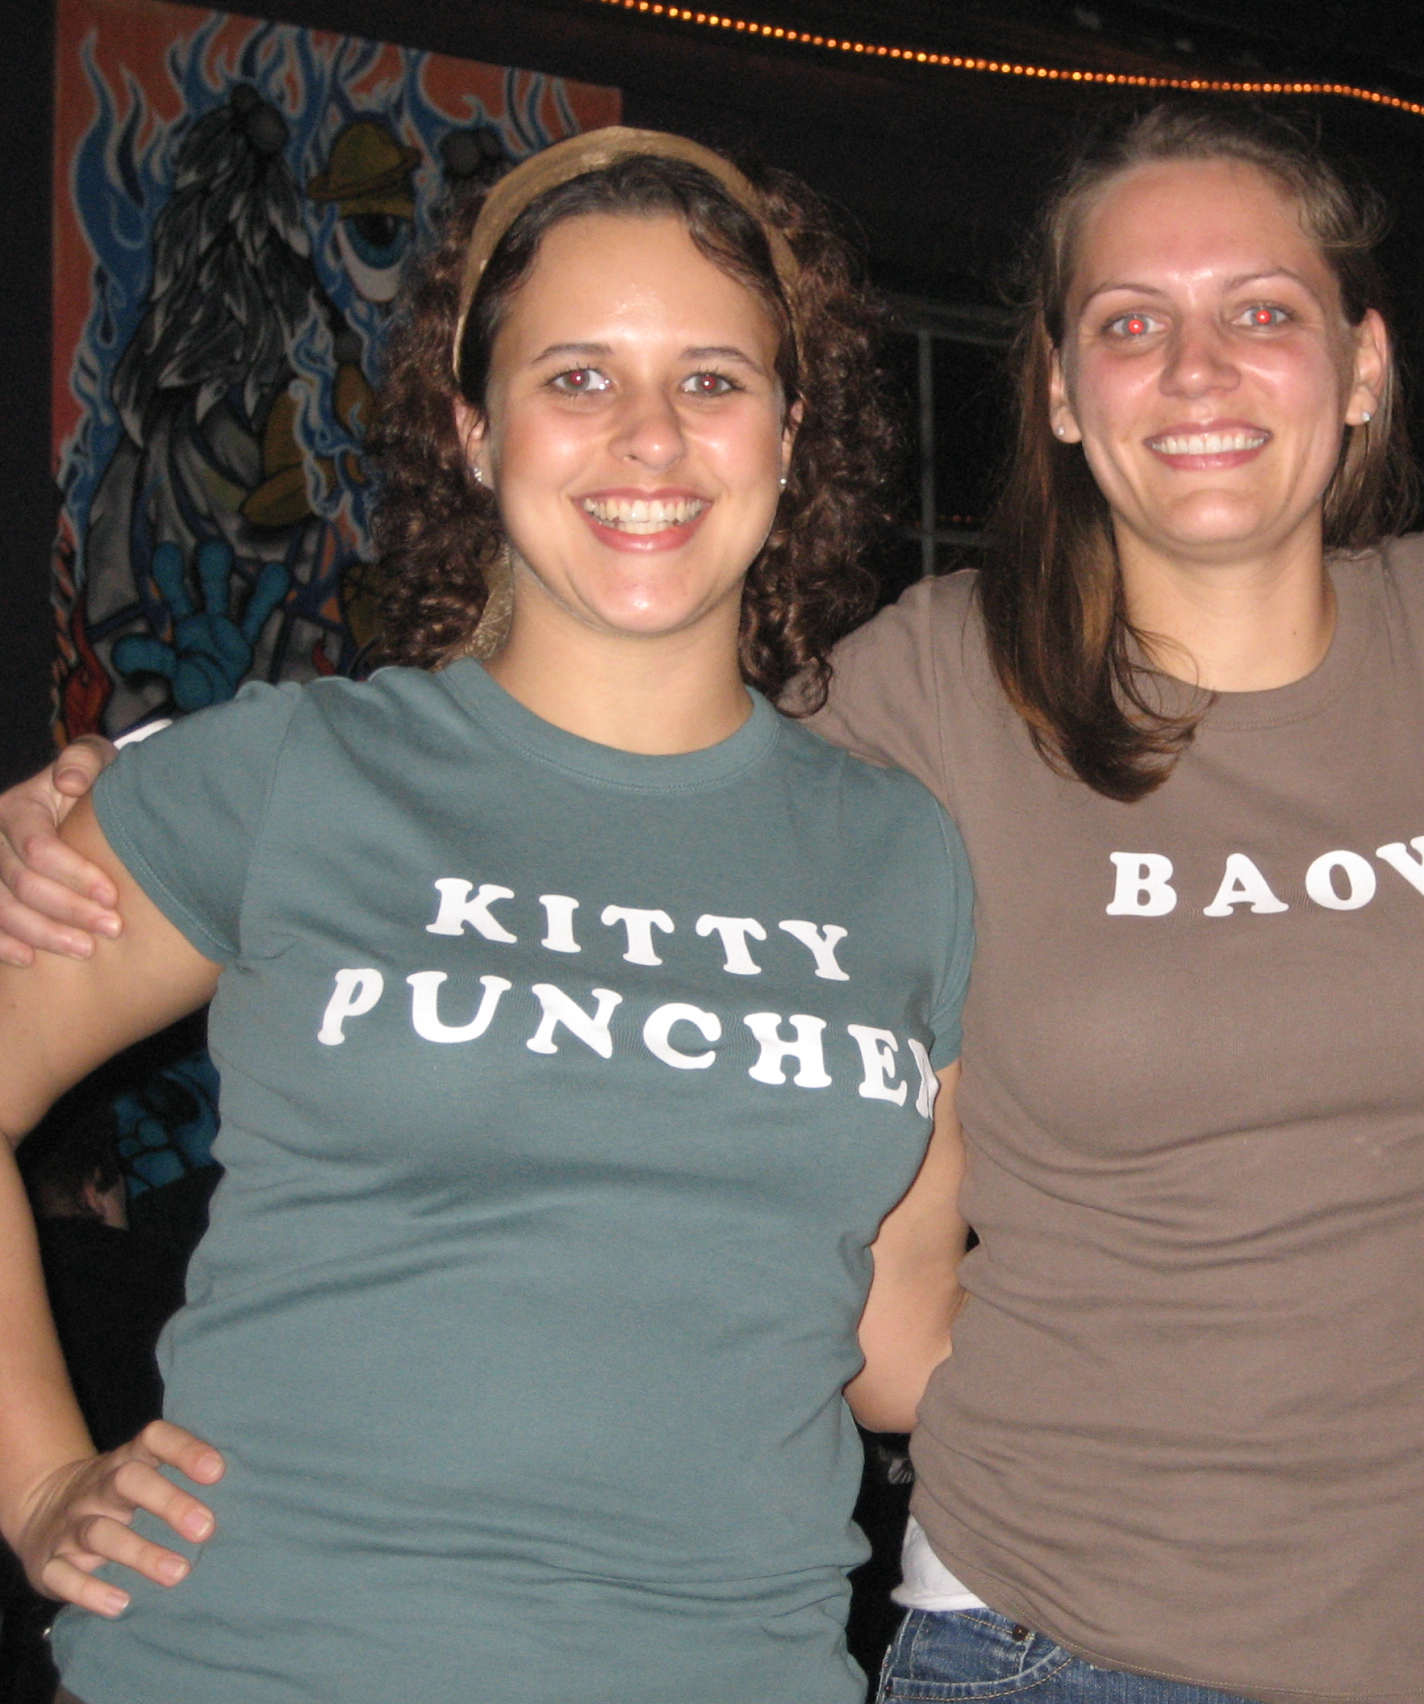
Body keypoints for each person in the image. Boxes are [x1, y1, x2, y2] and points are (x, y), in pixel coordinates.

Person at [5, 106, 1424, 1704]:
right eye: (1129, 325)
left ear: (1367, 376)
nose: (1198, 374)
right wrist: (127, 797)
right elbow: (613, 805)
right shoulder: (907, 705)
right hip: (1056, 1643)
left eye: (1264, 313)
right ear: (1063, 399)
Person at [0, 128, 973, 1704]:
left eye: (714, 380)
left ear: (791, 435)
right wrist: (41, 1478)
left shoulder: (901, 852)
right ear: (471, 429)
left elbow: (902, 1337)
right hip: (265, 1666)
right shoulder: (290, 775)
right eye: (577, 378)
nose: (650, 438)